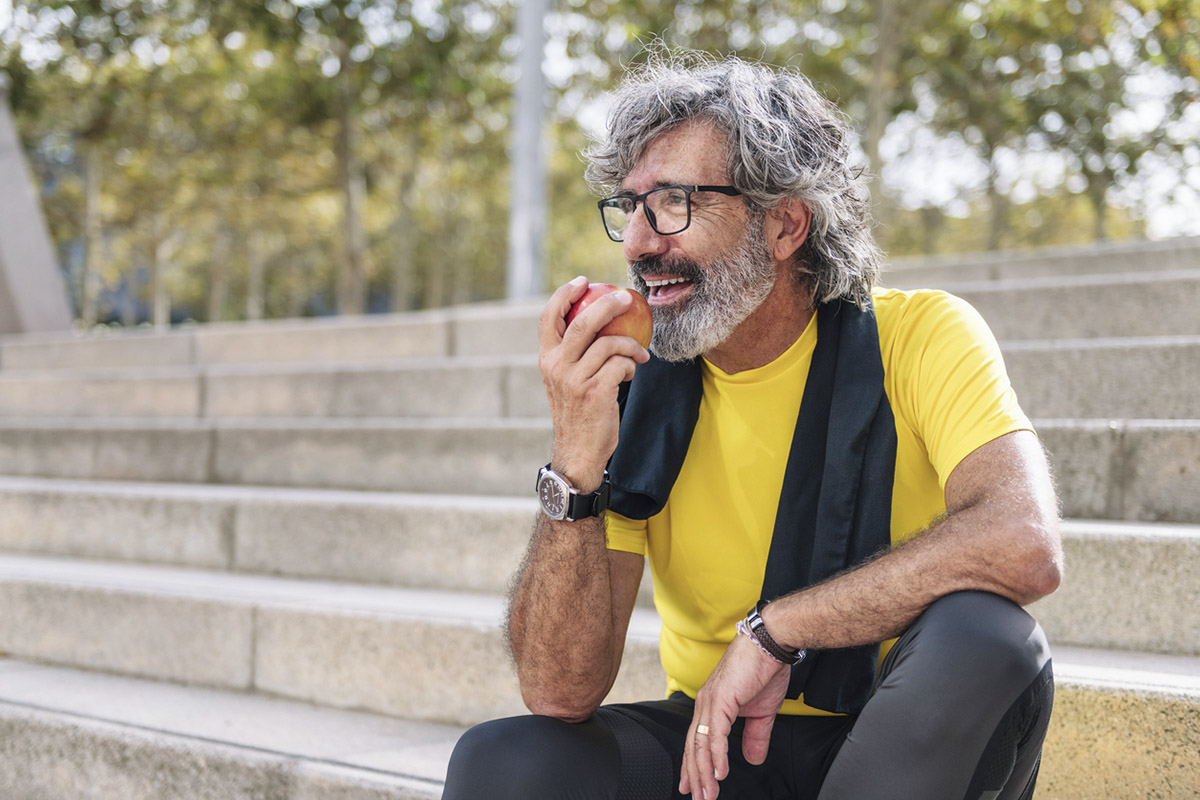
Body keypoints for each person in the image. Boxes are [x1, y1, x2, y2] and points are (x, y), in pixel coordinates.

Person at [443, 48, 1063, 800]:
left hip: (900, 742)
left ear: (785, 224)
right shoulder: (630, 385)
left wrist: (777, 629)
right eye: (629, 207)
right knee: (507, 762)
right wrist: (574, 466)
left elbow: (1022, 542)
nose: (639, 241)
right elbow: (559, 691)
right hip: (716, 750)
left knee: (988, 639)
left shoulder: (924, 335)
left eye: (673, 202)